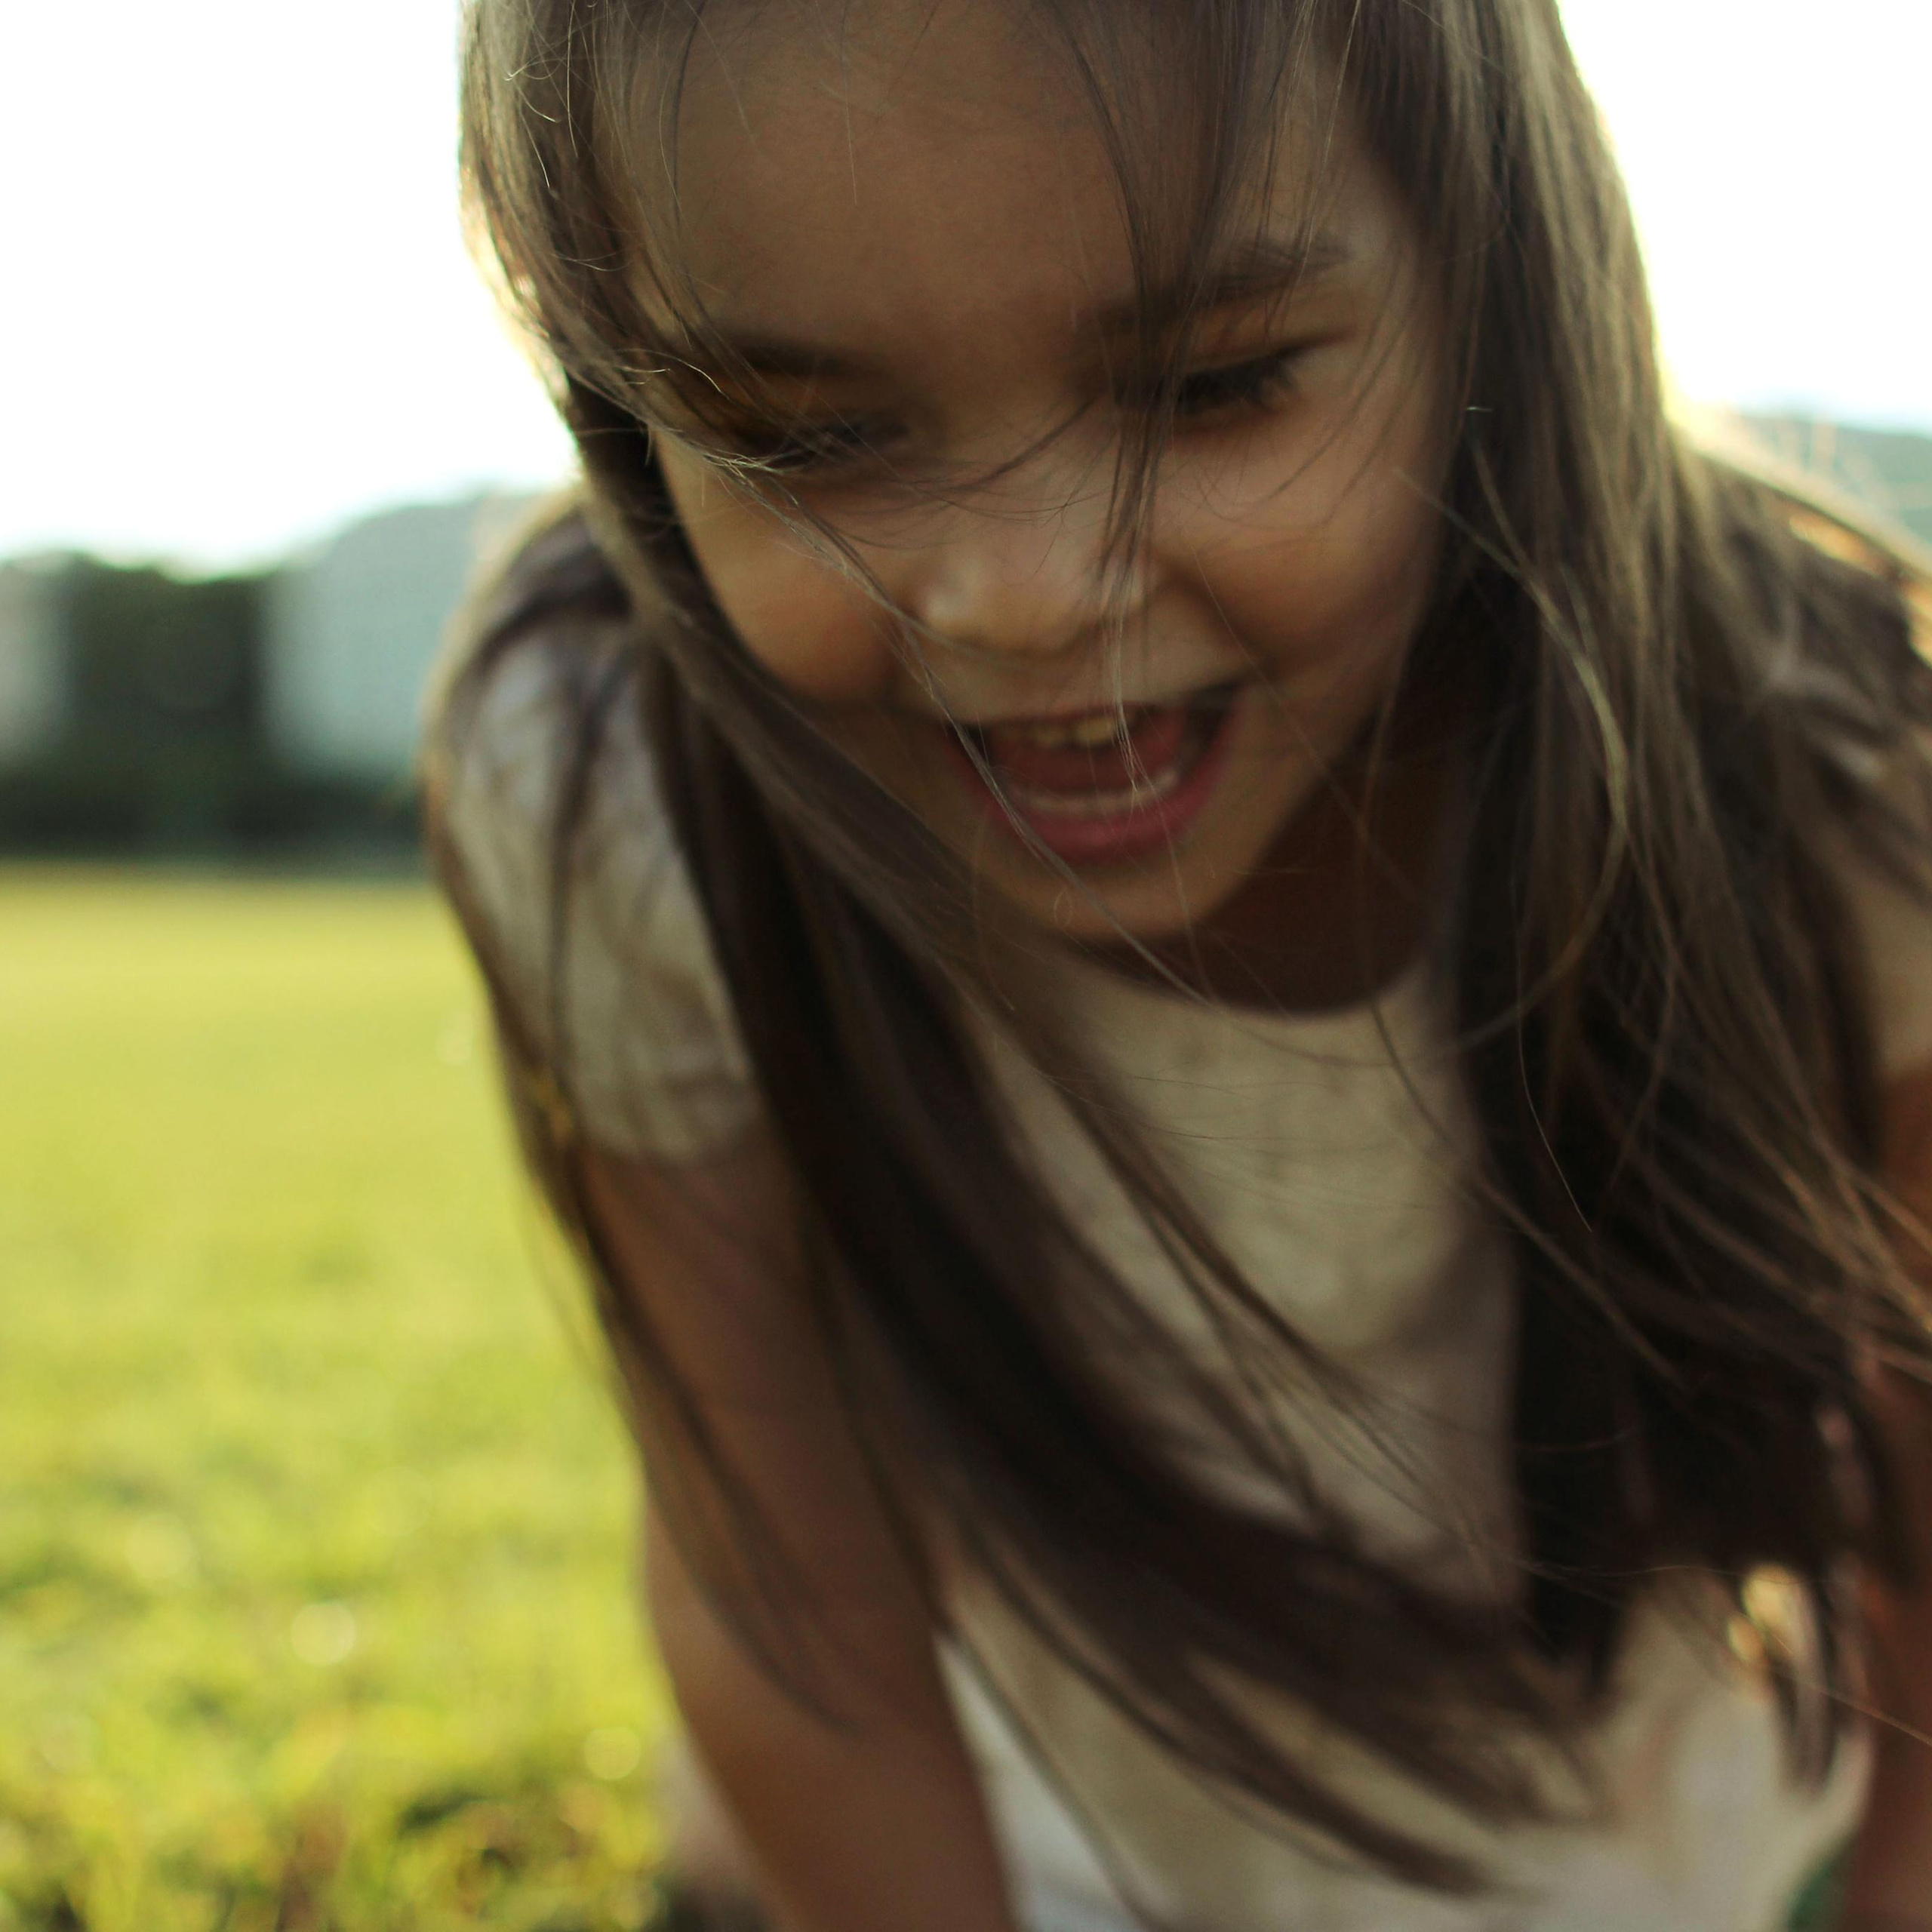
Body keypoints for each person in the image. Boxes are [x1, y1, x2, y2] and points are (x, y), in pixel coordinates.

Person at [423, 1, 1932, 1926]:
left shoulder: (1829, 750)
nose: (1022, 593)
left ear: (1491, 292)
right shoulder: (622, 774)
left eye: (1211, 386)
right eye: (804, 437)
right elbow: (780, 1586)